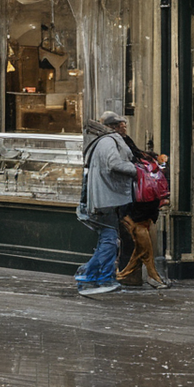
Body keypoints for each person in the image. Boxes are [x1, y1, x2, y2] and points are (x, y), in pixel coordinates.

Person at [74, 111, 136, 296]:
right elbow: (114, 164)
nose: (125, 128)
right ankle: (93, 276)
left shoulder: (103, 141)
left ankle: (95, 276)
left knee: (108, 238)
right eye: (122, 125)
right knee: (110, 239)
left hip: (103, 198)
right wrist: (136, 169)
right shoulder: (109, 141)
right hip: (106, 200)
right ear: (114, 127)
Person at [112, 118, 168, 289]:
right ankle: (147, 275)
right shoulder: (119, 141)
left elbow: (119, 164)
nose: (124, 127)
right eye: (120, 125)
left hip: (136, 197)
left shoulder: (118, 142)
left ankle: (142, 274)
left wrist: (138, 169)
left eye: (123, 125)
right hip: (141, 196)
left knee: (140, 235)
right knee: (140, 236)